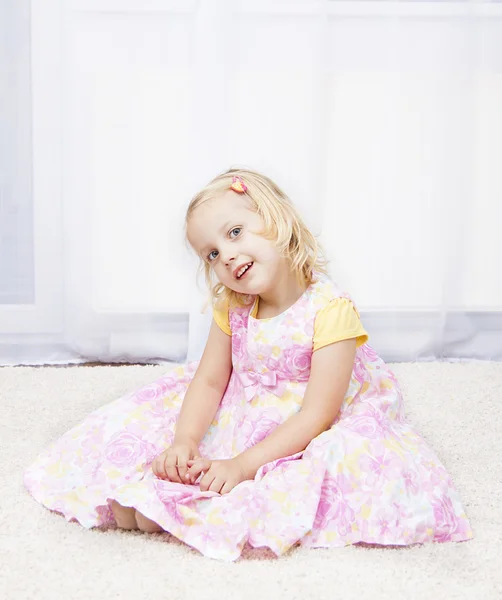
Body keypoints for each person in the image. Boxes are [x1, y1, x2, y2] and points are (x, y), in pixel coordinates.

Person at [24, 167, 473, 561]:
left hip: (306, 419)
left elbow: (319, 414)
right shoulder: (234, 307)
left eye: (234, 232)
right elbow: (210, 379)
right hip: (245, 404)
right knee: (144, 436)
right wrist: (185, 441)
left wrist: (240, 466)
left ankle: (189, 508)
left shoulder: (330, 309)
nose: (227, 256)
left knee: (321, 472)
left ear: (276, 221)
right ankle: (165, 495)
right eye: (212, 254)